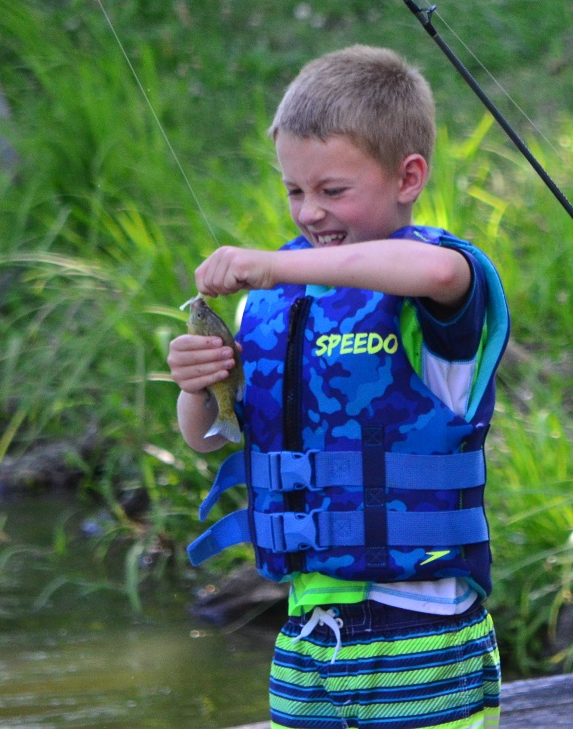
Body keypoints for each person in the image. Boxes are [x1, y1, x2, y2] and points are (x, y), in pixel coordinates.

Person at [168, 45, 508, 729]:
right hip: (304, 631)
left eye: (332, 190)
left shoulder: (439, 288)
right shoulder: (273, 304)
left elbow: (437, 274)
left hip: (424, 632)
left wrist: (273, 266)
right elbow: (210, 437)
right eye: (294, 191)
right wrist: (196, 387)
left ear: (409, 176)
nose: (309, 212)